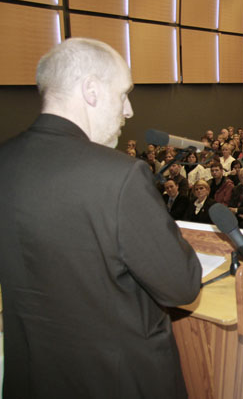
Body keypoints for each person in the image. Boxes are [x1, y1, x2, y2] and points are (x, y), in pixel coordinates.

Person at [0, 38, 202, 397]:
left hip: (33, 378)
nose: (129, 111)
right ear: (91, 90)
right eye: (124, 94)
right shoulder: (120, 177)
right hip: (118, 382)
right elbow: (182, 286)